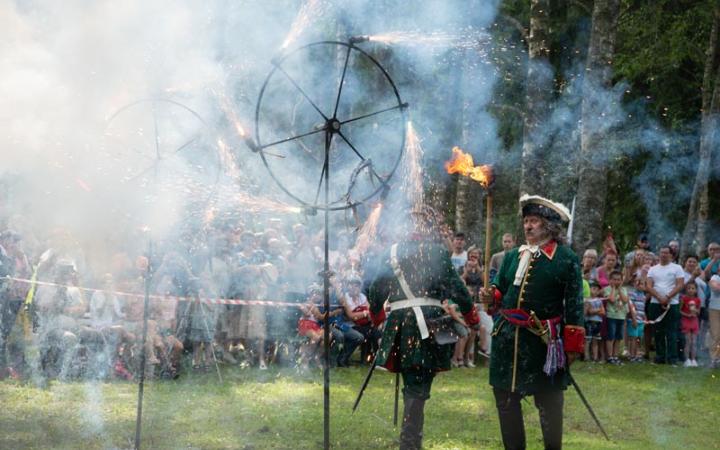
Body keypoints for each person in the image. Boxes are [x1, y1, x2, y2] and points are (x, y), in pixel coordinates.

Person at [367, 206, 479, 450]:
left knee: (414, 384)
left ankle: (412, 439)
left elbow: (375, 290)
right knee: (418, 387)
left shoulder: (392, 252)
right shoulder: (438, 252)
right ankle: (410, 443)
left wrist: (376, 317)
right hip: (425, 324)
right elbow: (456, 289)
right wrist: (472, 316)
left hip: (400, 325)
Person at [482, 195, 584, 450]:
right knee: (505, 398)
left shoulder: (566, 259)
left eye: (534, 221)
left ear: (549, 226)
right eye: (526, 221)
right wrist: (491, 295)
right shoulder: (513, 255)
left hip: (542, 343)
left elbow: (574, 305)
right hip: (508, 341)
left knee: (549, 402)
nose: (528, 226)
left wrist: (571, 346)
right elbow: (501, 289)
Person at [646, 245, 685, 365]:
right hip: (655, 303)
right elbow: (649, 286)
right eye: (661, 253)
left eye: (666, 253)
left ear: (671, 255)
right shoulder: (653, 269)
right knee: (658, 331)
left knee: (672, 331)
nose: (663, 255)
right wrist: (659, 298)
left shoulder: (677, 268)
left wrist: (667, 297)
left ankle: (672, 357)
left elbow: (680, 285)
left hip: (672, 304)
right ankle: (660, 356)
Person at [603, 270, 629, 364]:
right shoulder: (607, 289)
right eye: (614, 279)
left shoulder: (624, 289)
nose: (616, 281)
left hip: (621, 316)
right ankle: (610, 356)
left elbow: (625, 300)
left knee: (618, 337)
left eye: (619, 280)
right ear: (610, 280)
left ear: (621, 281)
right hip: (611, 316)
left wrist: (620, 290)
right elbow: (612, 299)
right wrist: (614, 288)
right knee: (611, 336)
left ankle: (615, 355)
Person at [680, 281, 701, 367]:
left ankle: (693, 360)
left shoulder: (698, 300)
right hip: (686, 321)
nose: (691, 290)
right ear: (686, 289)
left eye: (693, 288)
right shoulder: (684, 299)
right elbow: (680, 310)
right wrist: (687, 314)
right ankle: (687, 359)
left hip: (694, 321)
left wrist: (695, 311)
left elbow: (698, 312)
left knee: (694, 342)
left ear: (696, 290)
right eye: (689, 288)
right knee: (688, 341)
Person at [584, 281, 605, 362]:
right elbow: (589, 312)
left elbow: (603, 312)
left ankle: (595, 357)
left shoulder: (599, 300)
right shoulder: (587, 300)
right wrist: (598, 310)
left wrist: (595, 310)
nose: (595, 291)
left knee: (595, 340)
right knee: (587, 340)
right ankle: (587, 357)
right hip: (589, 322)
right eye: (593, 288)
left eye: (597, 289)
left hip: (598, 323)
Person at [707, 271, 720, 368]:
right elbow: (715, 288)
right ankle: (713, 359)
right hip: (715, 309)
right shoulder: (715, 277)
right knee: (715, 334)